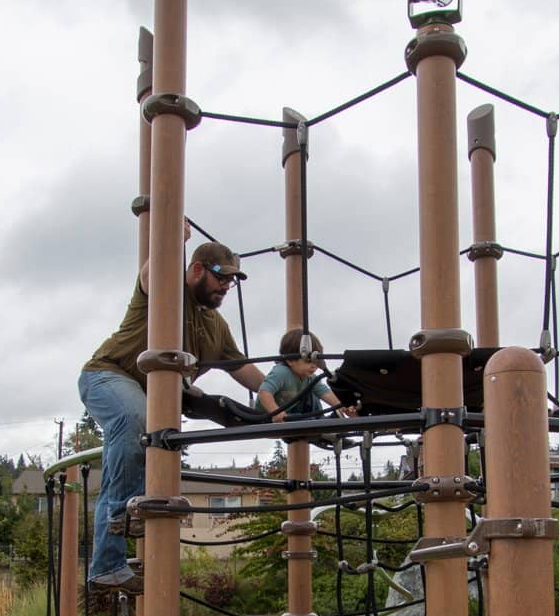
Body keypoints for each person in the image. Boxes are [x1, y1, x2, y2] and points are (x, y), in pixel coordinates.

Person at [79, 235, 263, 592]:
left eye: (232, 280)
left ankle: (123, 548)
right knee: (135, 423)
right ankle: (111, 547)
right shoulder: (168, 288)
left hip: (156, 396)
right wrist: (172, 232)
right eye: (221, 277)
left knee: (167, 438)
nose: (227, 286)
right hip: (107, 376)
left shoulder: (216, 325)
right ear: (196, 269)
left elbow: (244, 370)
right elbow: (152, 271)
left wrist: (284, 396)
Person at [255, 329, 355, 421]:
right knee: (306, 396)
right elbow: (264, 392)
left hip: (290, 411)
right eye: (308, 361)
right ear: (290, 360)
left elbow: (325, 393)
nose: (313, 366)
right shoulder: (281, 372)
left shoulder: (309, 377)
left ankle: (322, 420)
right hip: (268, 414)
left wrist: (343, 406)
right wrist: (276, 412)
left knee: (312, 392)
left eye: (316, 362)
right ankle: (316, 422)